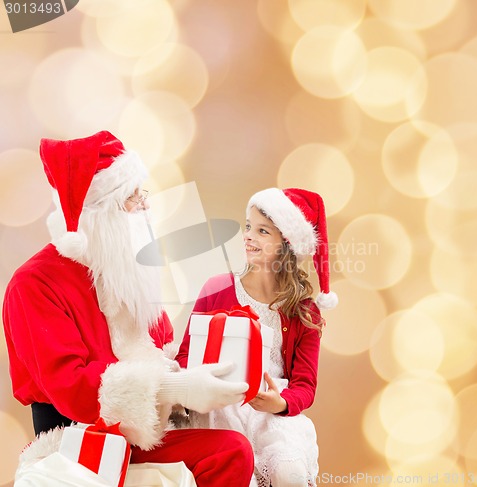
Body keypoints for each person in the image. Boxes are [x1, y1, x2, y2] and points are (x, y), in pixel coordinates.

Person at [2, 131, 254, 486]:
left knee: (235, 447)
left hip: (145, 434)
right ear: (99, 213)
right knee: (231, 451)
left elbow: (166, 350)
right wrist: (175, 388)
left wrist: (224, 374)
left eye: (142, 193)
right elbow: (73, 388)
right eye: (132, 198)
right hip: (76, 441)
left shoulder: (127, 272)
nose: (146, 206)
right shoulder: (34, 284)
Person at [176, 188, 339, 487]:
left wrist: (278, 403)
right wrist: (200, 381)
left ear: (285, 245)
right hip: (220, 411)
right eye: (248, 226)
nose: (249, 236)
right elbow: (185, 356)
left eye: (262, 231)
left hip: (271, 415)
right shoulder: (218, 289)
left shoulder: (305, 311)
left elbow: (305, 385)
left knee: (288, 473)